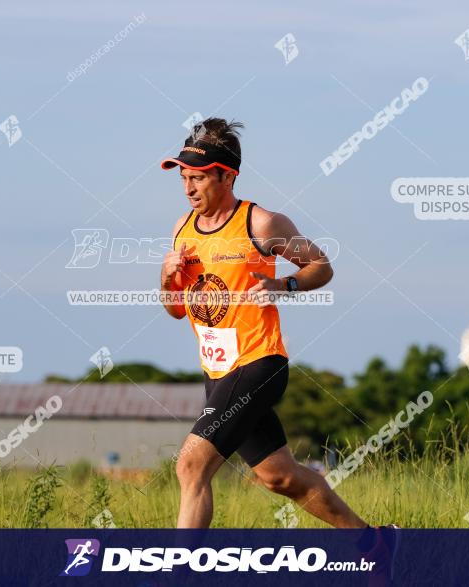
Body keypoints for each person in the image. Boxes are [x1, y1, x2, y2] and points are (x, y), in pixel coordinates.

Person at [159, 118, 398, 582]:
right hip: (218, 372)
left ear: (228, 176)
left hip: (260, 363)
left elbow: (320, 266)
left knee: (190, 466)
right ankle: (375, 542)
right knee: (280, 477)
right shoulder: (182, 229)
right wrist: (167, 280)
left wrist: (283, 284)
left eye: (199, 176)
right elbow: (174, 311)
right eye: (183, 177)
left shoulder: (261, 223)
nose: (188, 187)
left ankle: (176, 576)